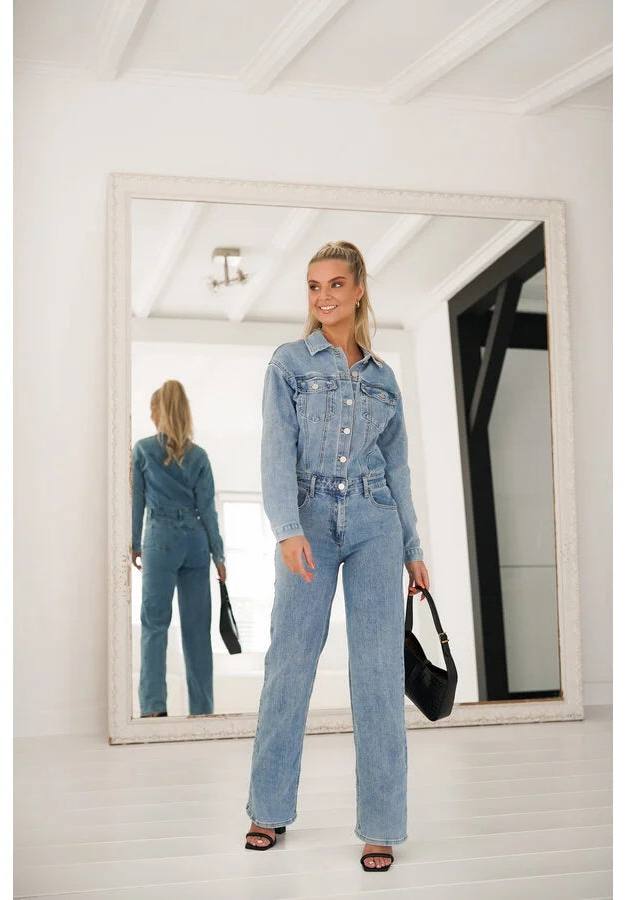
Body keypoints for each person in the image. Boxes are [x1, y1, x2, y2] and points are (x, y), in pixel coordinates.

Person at [244, 241, 430, 871]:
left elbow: (398, 469)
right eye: (313, 286)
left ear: (358, 289)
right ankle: (268, 808)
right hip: (310, 521)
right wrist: (286, 528)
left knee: (378, 672)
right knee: (290, 662)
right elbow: (275, 450)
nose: (323, 296)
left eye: (335, 284)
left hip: (377, 520)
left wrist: (413, 548)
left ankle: (381, 824)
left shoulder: (383, 378)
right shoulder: (289, 362)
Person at [131, 380, 226, 718]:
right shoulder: (199, 456)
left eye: (152, 410)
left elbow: (137, 502)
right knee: (198, 632)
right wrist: (218, 555)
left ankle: (153, 708)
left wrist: (134, 543)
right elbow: (208, 509)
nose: (150, 416)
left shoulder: (143, 451)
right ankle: (202, 711)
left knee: (154, 625)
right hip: (196, 543)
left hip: (160, 540)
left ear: (159, 412)